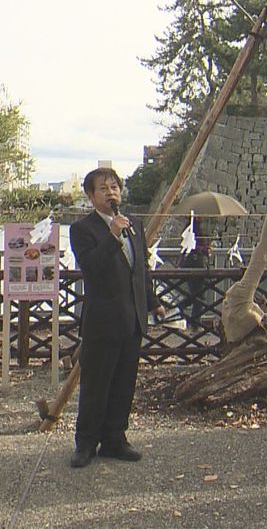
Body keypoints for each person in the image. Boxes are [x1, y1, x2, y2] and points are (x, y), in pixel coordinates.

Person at [68, 167, 164, 468]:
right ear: (91, 196)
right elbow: (91, 267)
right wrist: (112, 235)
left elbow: (141, 270)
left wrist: (152, 302)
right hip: (102, 320)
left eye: (115, 187)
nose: (111, 193)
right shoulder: (83, 229)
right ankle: (85, 443)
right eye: (104, 188)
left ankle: (115, 439)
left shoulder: (133, 223)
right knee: (96, 385)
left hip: (132, 318)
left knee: (124, 383)